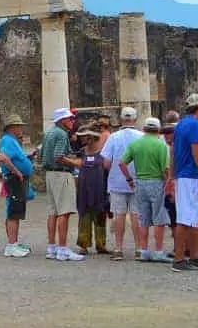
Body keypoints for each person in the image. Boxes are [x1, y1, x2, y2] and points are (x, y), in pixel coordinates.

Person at [119, 117, 173, 263]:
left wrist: (129, 179)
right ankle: (159, 251)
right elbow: (165, 169)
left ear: (144, 129)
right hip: (156, 182)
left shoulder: (135, 144)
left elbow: (122, 163)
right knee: (159, 219)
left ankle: (143, 250)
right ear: (158, 130)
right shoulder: (161, 145)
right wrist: (168, 182)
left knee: (143, 218)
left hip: (139, 183)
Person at [171, 94, 198, 272]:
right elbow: (197, 152)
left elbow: (173, 151)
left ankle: (194, 256)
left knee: (194, 217)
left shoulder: (181, 124)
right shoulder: (194, 125)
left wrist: (172, 175)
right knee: (186, 219)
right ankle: (180, 259)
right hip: (190, 176)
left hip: (186, 175)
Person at [39, 108, 85, 262]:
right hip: (61, 174)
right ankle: (63, 248)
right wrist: (76, 163)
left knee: (53, 212)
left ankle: (51, 247)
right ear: (62, 121)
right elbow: (58, 156)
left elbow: (41, 154)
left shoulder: (49, 133)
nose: (73, 121)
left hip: (50, 174)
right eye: (70, 119)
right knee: (64, 212)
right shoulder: (61, 134)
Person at [100, 106, 144, 260]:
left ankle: (118, 248)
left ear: (121, 120)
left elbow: (106, 162)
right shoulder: (141, 136)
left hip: (117, 181)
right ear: (135, 119)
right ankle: (139, 248)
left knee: (119, 214)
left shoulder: (114, 137)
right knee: (136, 215)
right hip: (138, 180)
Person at [0, 115, 34, 258]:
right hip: (15, 180)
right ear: (12, 128)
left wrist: (26, 160)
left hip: (14, 179)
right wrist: (17, 172)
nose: (21, 129)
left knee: (16, 212)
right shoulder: (8, 141)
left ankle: (13, 243)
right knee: (14, 213)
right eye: (19, 126)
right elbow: (3, 158)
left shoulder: (11, 142)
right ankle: (11, 245)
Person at [72, 127, 109, 256]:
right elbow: (76, 173)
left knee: (100, 216)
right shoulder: (81, 152)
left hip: (100, 189)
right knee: (84, 216)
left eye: (85, 136)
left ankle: (101, 244)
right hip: (83, 190)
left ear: (92, 137)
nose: (82, 138)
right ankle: (83, 245)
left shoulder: (103, 153)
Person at [162, 111, 179, 236]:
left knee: (174, 216)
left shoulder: (163, 143)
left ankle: (180, 245)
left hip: (172, 182)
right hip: (176, 181)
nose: (167, 136)